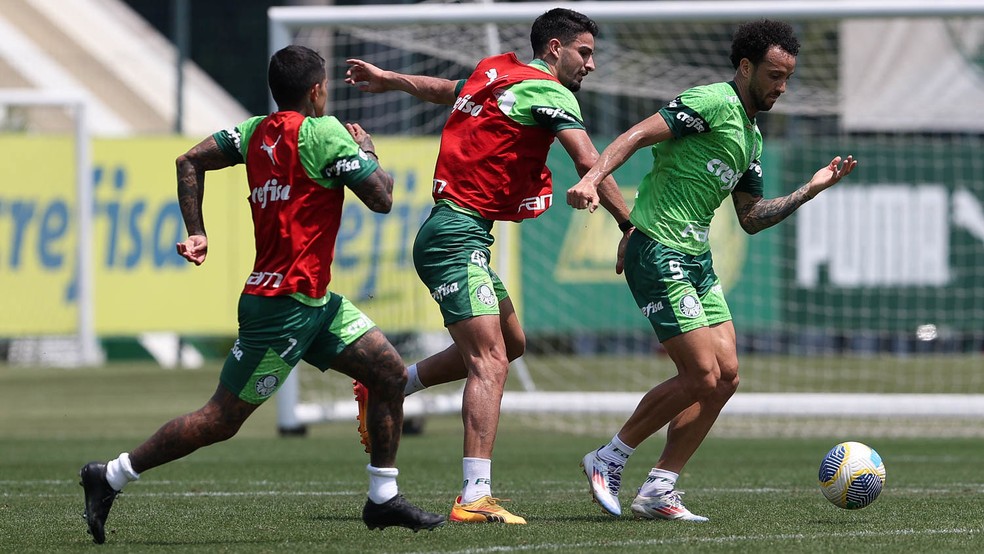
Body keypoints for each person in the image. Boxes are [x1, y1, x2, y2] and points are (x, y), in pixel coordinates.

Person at [78, 45, 445, 545]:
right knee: (220, 420)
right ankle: (112, 475)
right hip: (283, 313)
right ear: (317, 90)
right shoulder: (326, 133)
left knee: (387, 372)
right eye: (326, 88)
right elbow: (382, 198)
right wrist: (368, 153)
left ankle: (383, 498)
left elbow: (189, 160)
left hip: (315, 303)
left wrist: (198, 230)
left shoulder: (254, 133)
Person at [344, 8, 632, 524]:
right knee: (491, 360)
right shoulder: (549, 91)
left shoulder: (496, 74)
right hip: (455, 234)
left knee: (511, 345)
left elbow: (444, 88)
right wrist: (629, 225)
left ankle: (391, 383)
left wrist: (391, 80)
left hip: (463, 234)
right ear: (554, 50)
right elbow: (590, 160)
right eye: (584, 53)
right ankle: (474, 494)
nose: (590, 65)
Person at [568, 20, 858, 521]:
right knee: (700, 373)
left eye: (787, 77)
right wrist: (594, 179)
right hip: (658, 249)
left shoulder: (751, 138)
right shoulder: (710, 103)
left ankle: (660, 488)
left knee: (725, 378)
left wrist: (810, 191)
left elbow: (751, 218)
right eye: (773, 75)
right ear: (745, 67)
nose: (781, 87)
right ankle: (608, 457)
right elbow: (637, 134)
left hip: (697, 261)